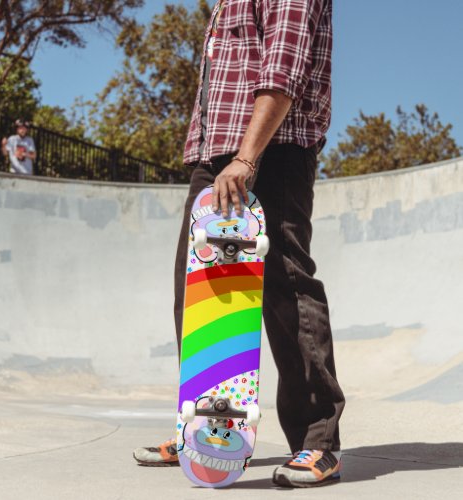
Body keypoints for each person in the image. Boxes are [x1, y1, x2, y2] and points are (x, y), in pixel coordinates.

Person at [134, 0, 345, 488]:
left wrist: (247, 160)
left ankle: (318, 441)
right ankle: (207, 431)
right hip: (217, 155)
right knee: (197, 294)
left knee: (286, 286)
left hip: (269, 150)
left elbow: (283, 69)